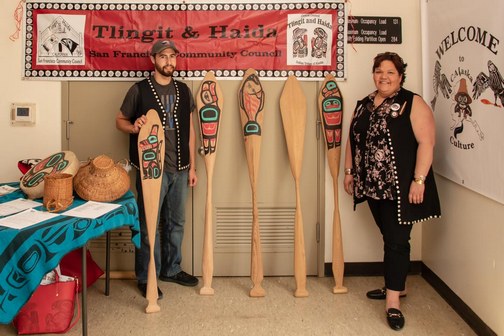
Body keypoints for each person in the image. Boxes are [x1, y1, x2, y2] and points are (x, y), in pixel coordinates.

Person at [343, 52, 441, 331]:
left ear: (400, 76)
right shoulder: (363, 105)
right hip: (372, 187)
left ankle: (393, 301)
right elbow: (353, 140)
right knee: (390, 236)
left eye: (390, 72)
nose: (383, 76)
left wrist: (419, 180)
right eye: (379, 71)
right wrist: (349, 172)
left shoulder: (412, 103)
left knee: (397, 241)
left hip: (399, 187)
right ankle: (398, 285)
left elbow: (427, 142)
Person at [116, 40, 199, 299]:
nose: (169, 62)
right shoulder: (139, 90)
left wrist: (193, 167)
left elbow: (191, 131)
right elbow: (119, 121)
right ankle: (146, 275)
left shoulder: (184, 91)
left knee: (177, 223)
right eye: (163, 57)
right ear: (153, 60)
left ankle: (171, 269)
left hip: (181, 168)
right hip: (151, 171)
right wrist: (134, 126)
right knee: (148, 223)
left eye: (172, 57)